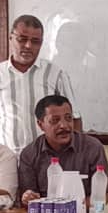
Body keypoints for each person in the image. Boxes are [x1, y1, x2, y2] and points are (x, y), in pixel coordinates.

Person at [0, 15, 82, 156]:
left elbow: (74, 118)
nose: (28, 46)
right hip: (7, 159)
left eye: (35, 41)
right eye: (22, 39)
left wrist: (73, 157)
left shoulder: (55, 74)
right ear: (10, 38)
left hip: (47, 158)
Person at [18, 95, 108, 205]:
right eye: (55, 120)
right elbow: (29, 200)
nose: (63, 125)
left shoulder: (92, 147)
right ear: (41, 125)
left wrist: (71, 208)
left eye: (68, 118)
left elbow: (103, 196)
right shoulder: (29, 154)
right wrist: (29, 198)